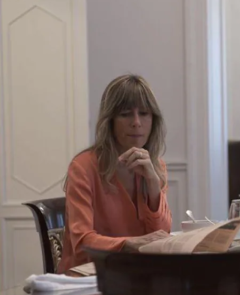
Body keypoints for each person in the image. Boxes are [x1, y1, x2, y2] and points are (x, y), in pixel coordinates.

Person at [58, 75, 172, 274]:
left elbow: (161, 236)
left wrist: (154, 184)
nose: (136, 122)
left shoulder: (157, 166)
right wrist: (128, 244)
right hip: (88, 279)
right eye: (126, 114)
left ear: (154, 120)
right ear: (109, 121)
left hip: (136, 275)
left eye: (144, 113)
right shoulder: (83, 167)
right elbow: (82, 241)